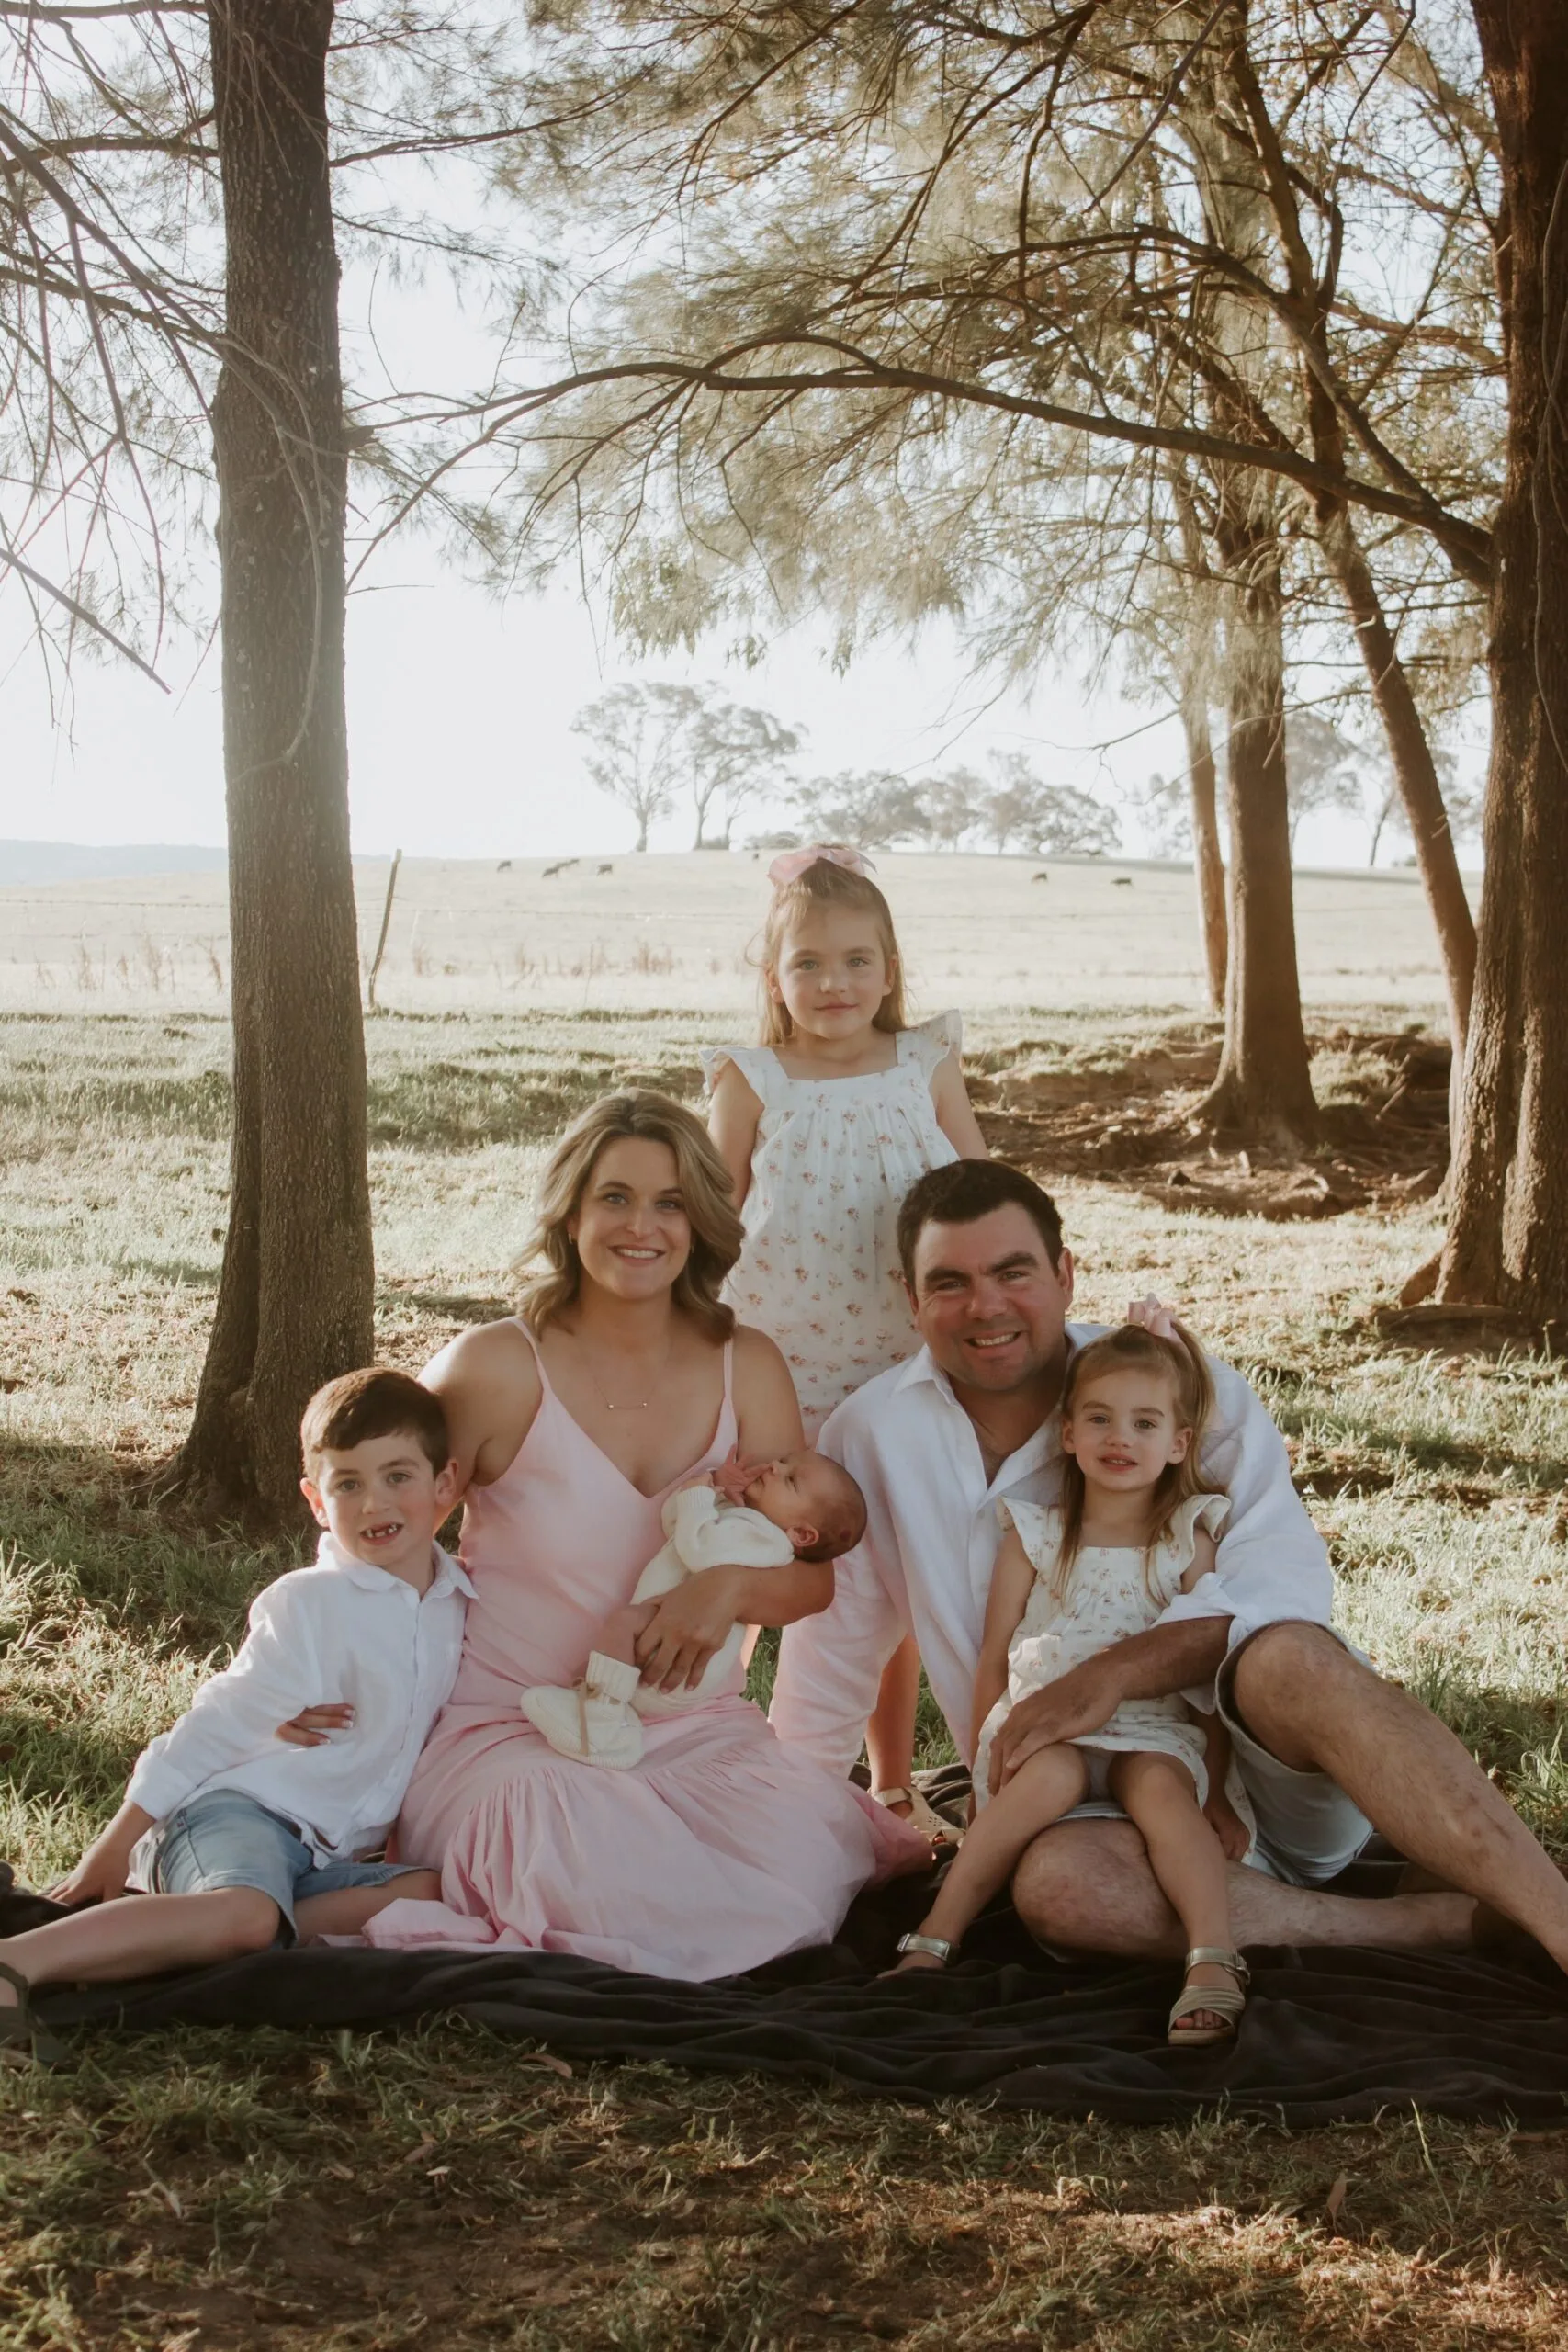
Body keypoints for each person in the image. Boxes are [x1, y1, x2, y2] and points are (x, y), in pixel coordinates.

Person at [771, 1158, 1568, 1973]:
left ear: (1065, 1273)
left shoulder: (1183, 1397)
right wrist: (778, 1850)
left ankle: (1555, 1921)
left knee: (1289, 1654)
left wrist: (1112, 1674)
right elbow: (832, 1659)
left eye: (1013, 1271)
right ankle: (1432, 1925)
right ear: (912, 1300)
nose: (985, 1306)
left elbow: (1279, 1593)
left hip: (1257, 1774)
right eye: (949, 1282)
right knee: (1060, 1891)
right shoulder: (871, 1433)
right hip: (1075, 1799)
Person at [313, 1092, 927, 1982]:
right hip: (515, 1732)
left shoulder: (745, 1364)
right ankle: (569, 1896)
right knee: (555, 1835)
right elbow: (374, 1540)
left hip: (691, 1731)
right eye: (615, 1197)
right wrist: (312, 1679)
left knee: (798, 1863)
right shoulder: (493, 1367)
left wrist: (721, 1591)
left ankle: (614, 1911)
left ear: (702, 1221)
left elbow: (811, 1580)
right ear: (570, 1210)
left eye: (670, 1202)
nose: (643, 1226)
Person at [0, 1368, 462, 2055]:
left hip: (322, 1852)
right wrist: (118, 1841)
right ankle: (17, 1967)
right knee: (247, 1917)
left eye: (398, 1476)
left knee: (427, 1895)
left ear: (445, 1486)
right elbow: (216, 1720)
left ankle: (171, 1928)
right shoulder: (310, 1602)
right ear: (315, 1500)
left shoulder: (458, 1602)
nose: (374, 1503)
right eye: (348, 1484)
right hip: (234, 1815)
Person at [706, 843, 987, 1842]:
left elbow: (979, 1186)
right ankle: (702, 1752)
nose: (836, 984)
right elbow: (711, 1213)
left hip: (900, 1362)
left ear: (891, 967)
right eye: (810, 964)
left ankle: (889, 1778)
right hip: (776, 1362)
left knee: (880, 1575)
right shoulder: (755, 1079)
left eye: (858, 961)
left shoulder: (924, 1064)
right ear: (775, 979)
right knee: (743, 1548)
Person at [888, 1320, 1254, 2046]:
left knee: (1157, 1790)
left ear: (1177, 1444)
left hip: (1153, 1725)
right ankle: (934, 1937)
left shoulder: (1187, 1535)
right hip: (1048, 1721)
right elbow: (994, 1652)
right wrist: (984, 1753)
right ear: (1066, 1434)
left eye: (1144, 1422)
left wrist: (1217, 1785)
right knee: (1045, 1777)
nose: (1119, 1437)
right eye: (1098, 1418)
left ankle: (1212, 1957)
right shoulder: (1034, 1534)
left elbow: (1207, 1669)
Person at [521, 1449, 868, 1768]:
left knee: (624, 1624)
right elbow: (674, 1524)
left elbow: (698, 1548)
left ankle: (600, 1726)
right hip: (669, 1628)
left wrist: (702, 1495)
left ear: (802, 1536)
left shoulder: (765, 1539)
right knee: (615, 1645)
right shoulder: (744, 1521)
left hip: (679, 1657)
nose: (775, 1467)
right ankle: (606, 1713)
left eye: (791, 1479)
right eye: (785, 1462)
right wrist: (709, 1489)